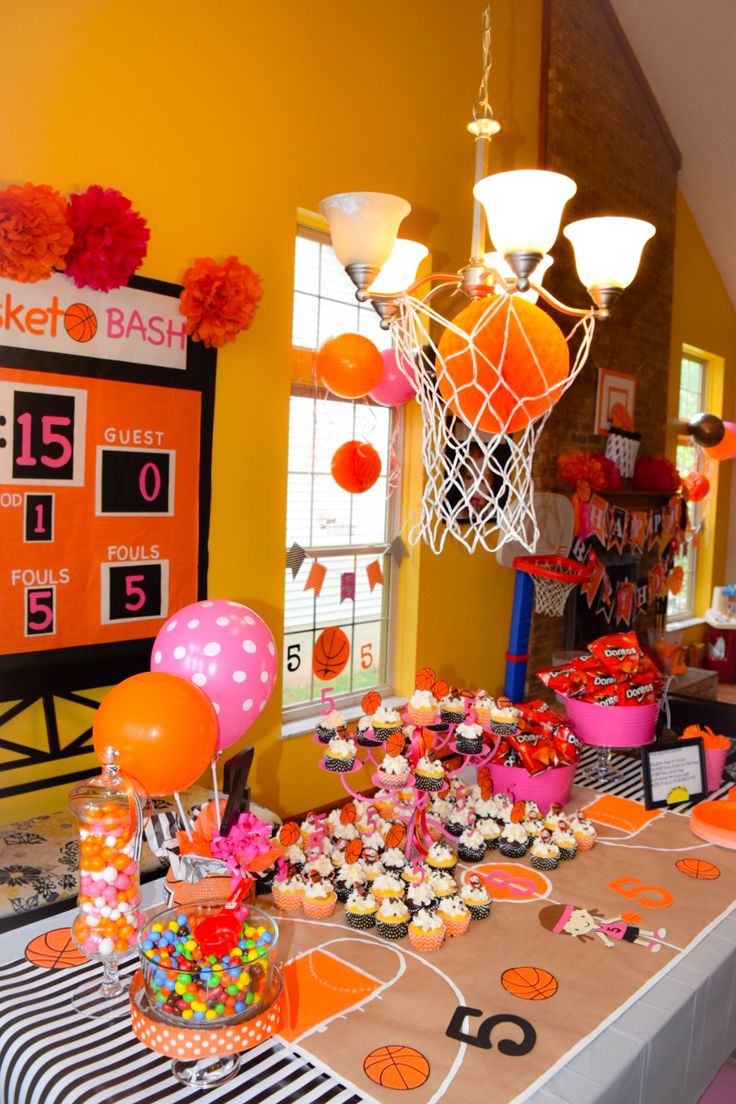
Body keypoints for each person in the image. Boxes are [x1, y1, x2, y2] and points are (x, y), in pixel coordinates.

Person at [538, 902, 667, 952]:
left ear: (583, 911)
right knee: (631, 938)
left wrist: (619, 918)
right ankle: (648, 945)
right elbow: (601, 934)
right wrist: (607, 941)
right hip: (617, 934)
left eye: (582, 917)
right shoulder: (598, 929)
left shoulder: (600, 924)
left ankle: (654, 934)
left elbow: (609, 922)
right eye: (577, 928)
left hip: (620, 927)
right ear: (574, 933)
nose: (585, 924)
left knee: (636, 930)